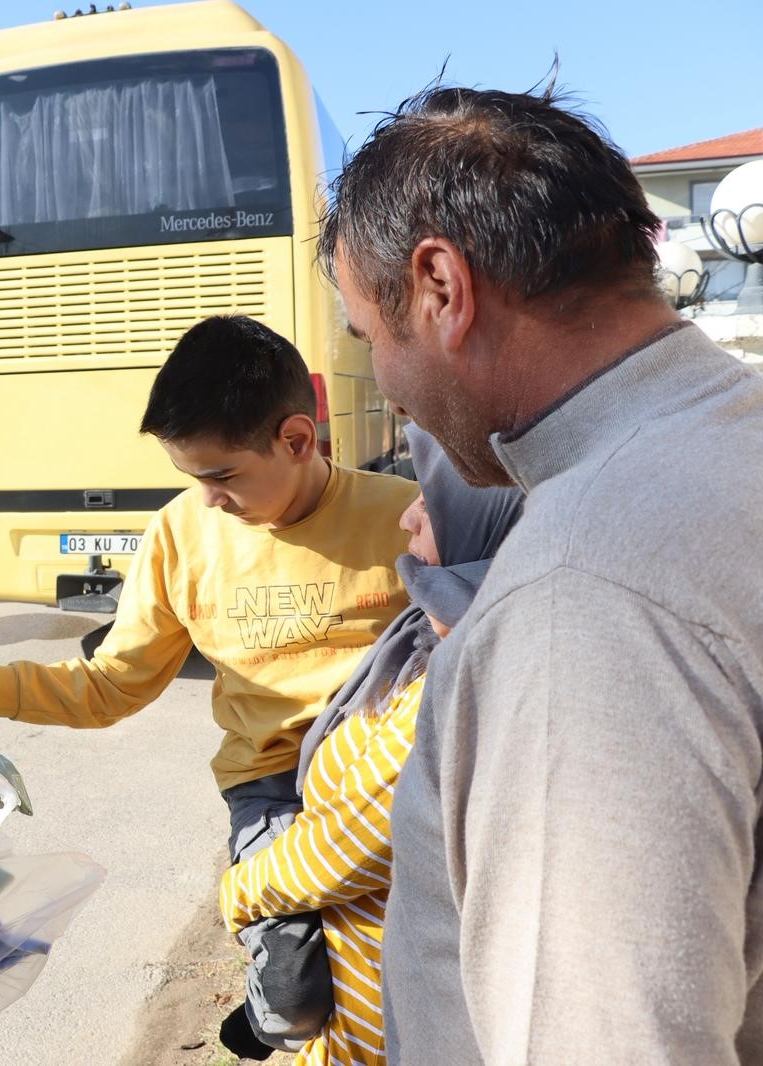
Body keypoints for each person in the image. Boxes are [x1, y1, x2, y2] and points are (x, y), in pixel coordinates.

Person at [319, 85, 763, 1062]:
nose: (386, 387)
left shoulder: (582, 597)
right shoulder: (730, 435)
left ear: (439, 287)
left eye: (368, 338)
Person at [0, 314, 419, 1054]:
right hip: (270, 785)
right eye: (192, 479)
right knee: (298, 1002)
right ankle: (271, 1012)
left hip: (383, 782)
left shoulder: (401, 517)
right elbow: (112, 684)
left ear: (297, 440)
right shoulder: (180, 536)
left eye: (222, 476)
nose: (207, 499)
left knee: (409, 964)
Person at [219, 426, 523, 1066]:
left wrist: (237, 893)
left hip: (391, 1030)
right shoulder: (439, 634)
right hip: (364, 1013)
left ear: (485, 520)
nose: (410, 512)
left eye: (434, 502)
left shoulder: (460, 673)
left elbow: (341, 848)